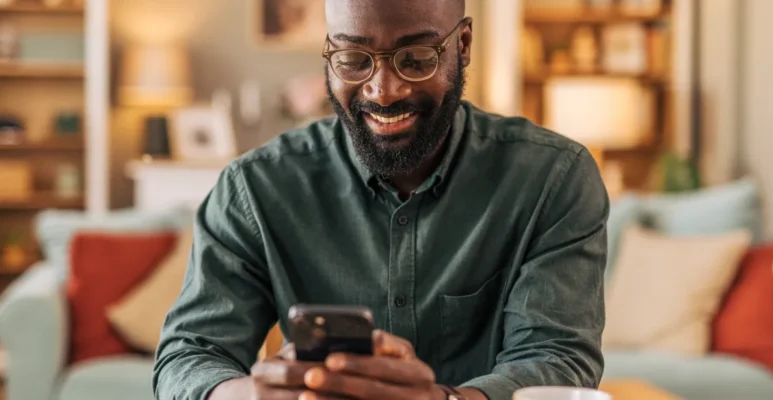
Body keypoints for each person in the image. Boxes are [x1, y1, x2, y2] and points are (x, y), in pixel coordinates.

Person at [153, 0, 609, 399]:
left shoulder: (553, 178)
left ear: (463, 45)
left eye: (415, 58)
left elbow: (558, 359)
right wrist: (255, 396)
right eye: (353, 58)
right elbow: (188, 354)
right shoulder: (255, 188)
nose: (383, 90)